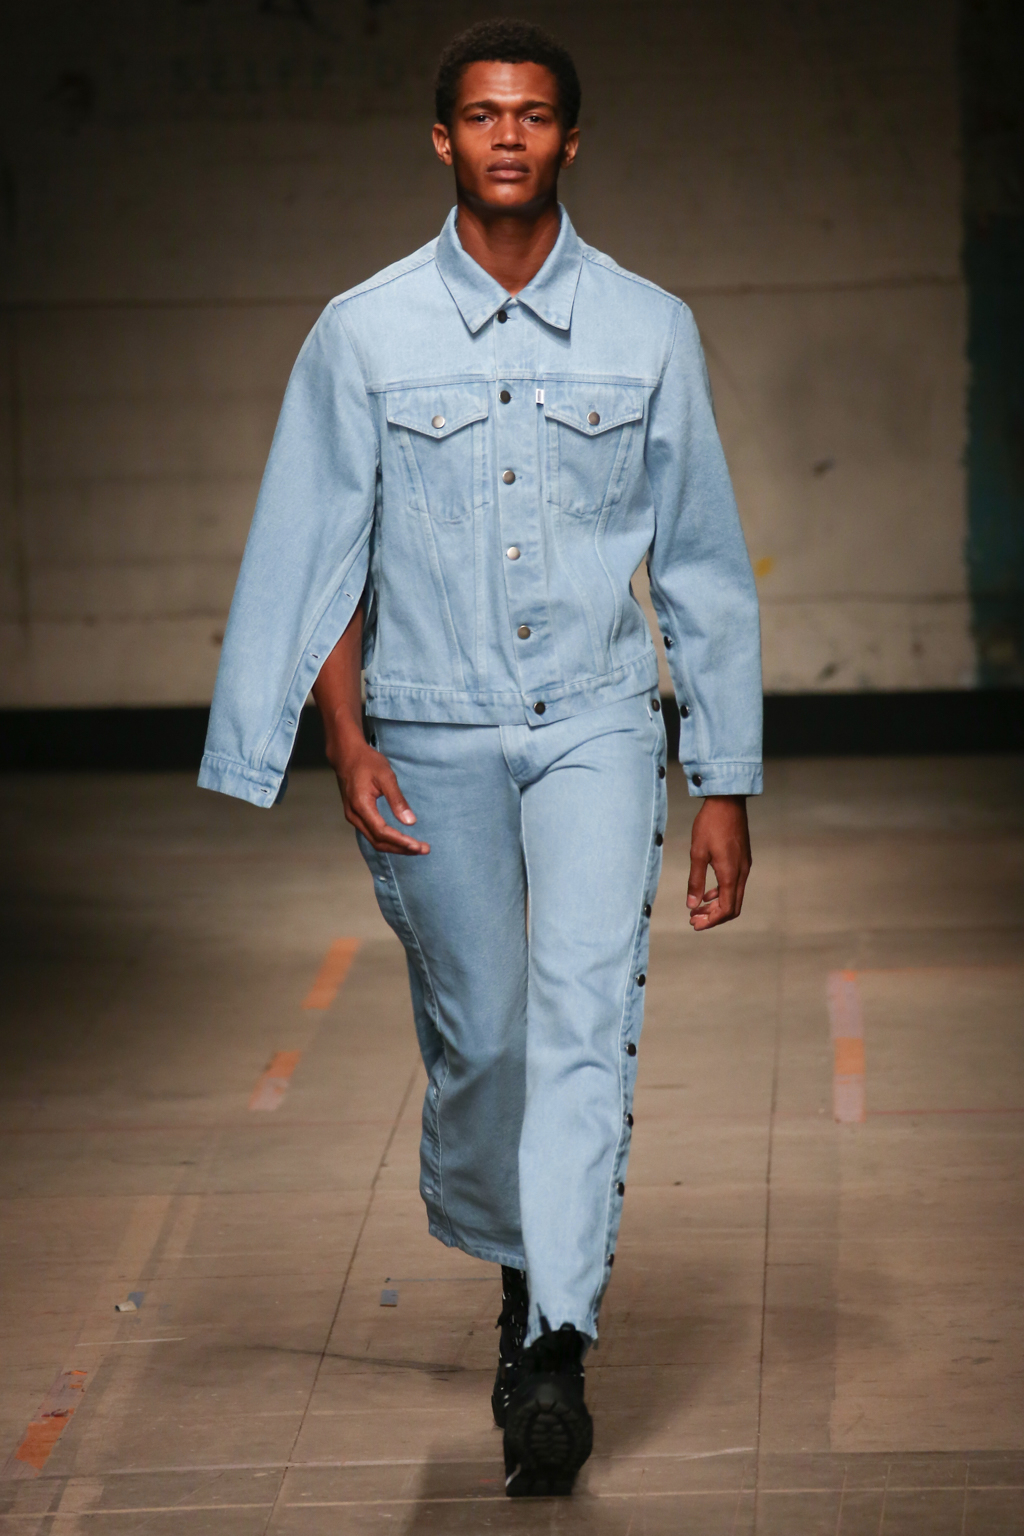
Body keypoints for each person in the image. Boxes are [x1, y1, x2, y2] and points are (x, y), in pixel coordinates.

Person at [199, 17, 762, 1498]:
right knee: (489, 1042)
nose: (510, 133)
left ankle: (553, 1339)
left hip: (594, 719)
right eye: (484, 113)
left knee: (584, 1016)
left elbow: (702, 569)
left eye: (535, 113)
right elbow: (321, 551)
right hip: (430, 724)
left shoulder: (649, 328)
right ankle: (521, 1258)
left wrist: (722, 782)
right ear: (442, 138)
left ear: (571, 138)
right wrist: (342, 739)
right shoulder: (365, 332)